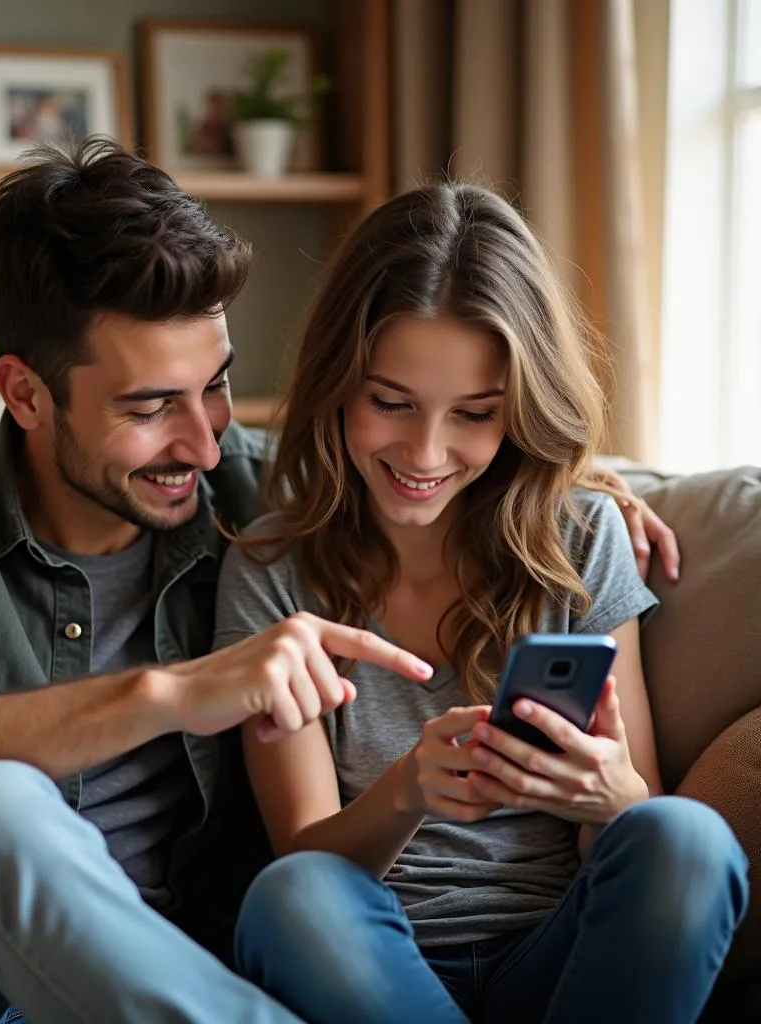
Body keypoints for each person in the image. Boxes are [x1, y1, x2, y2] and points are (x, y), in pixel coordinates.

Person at [0, 140, 678, 1024]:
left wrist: (586, 483)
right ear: (24, 393)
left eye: (217, 387)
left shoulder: (244, 488)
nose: (201, 439)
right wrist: (167, 694)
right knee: (0, 803)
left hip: (150, 960)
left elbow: (419, 461)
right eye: (148, 407)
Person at [214, 182, 748, 1024]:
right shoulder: (274, 570)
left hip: (564, 960)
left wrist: (610, 798)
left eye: (473, 415)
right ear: (338, 384)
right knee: (291, 895)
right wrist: (408, 791)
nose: (425, 452)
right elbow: (303, 853)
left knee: (684, 837)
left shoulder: (582, 539)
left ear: (519, 411)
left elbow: (635, 834)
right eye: (390, 402)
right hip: (375, 959)